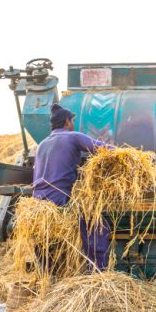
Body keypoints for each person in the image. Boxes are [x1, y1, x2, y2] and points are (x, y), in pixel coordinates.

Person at [32, 104, 113, 270]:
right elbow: (105, 150)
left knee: (43, 239)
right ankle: (98, 271)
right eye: (72, 121)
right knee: (97, 225)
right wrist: (134, 154)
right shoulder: (73, 137)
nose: (73, 124)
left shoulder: (42, 144)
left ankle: (47, 271)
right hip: (60, 198)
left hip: (37, 202)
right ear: (67, 122)